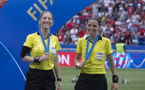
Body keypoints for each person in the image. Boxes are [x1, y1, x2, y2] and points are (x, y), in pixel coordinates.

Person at [20, 11, 62, 90]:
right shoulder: (31, 37)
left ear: (52, 22)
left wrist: (59, 79)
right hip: (34, 76)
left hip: (49, 77)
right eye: (44, 18)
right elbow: (23, 57)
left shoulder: (55, 39)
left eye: (49, 19)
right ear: (40, 21)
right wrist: (38, 59)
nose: (47, 20)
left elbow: (56, 61)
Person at [74, 17, 118, 90]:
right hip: (84, 77)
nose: (91, 28)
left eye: (94, 26)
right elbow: (76, 58)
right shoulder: (81, 41)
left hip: (99, 79)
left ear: (99, 27)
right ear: (86, 26)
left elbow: (111, 61)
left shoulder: (106, 42)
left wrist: (115, 80)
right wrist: (78, 64)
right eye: (89, 25)